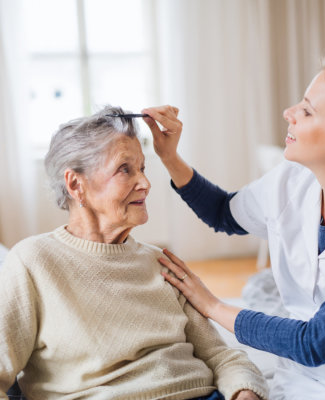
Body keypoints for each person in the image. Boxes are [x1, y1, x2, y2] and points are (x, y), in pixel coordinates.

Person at [142, 56, 325, 400]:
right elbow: (223, 212)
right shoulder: (292, 181)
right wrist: (170, 157)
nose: (288, 113)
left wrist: (210, 304)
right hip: (297, 379)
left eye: (307, 111)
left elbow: (315, 343)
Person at [0, 106, 269, 400]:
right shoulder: (33, 262)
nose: (145, 183)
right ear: (76, 184)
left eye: (142, 168)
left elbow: (222, 357)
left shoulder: (159, 262)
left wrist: (245, 392)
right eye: (124, 169)